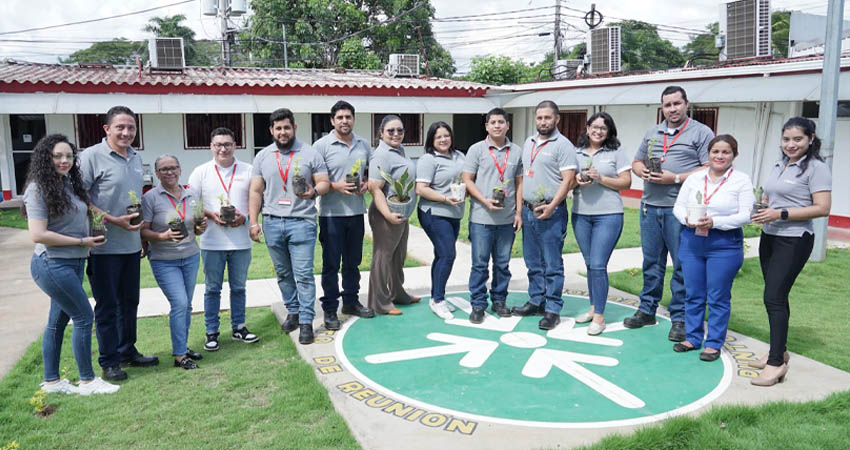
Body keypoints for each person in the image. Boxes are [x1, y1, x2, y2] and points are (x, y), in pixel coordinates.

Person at [23, 134, 120, 395]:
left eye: (68, 156)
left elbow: (87, 211)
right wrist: (81, 240)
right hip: (52, 263)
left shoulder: (67, 184)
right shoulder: (37, 188)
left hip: (73, 262)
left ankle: (52, 381)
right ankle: (87, 381)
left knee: (57, 322)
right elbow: (38, 234)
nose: (64, 161)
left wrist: (108, 223)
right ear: (46, 158)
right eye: (57, 156)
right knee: (84, 316)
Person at [625, 86, 714, 342]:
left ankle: (680, 318)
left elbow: (709, 168)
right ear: (661, 107)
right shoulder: (653, 132)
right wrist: (641, 172)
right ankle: (647, 310)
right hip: (650, 208)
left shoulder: (700, 132)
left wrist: (674, 178)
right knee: (651, 263)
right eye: (667, 105)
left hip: (681, 211)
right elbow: (636, 161)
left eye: (677, 103)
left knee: (682, 266)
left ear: (687, 104)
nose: (672, 109)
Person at [750, 117, 831, 386]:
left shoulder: (816, 167)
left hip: (795, 239)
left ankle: (775, 364)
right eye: (786, 139)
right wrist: (763, 206)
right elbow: (771, 196)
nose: (791, 144)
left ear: (810, 139)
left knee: (773, 297)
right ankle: (779, 350)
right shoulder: (780, 164)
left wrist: (781, 213)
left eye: (797, 139)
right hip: (770, 236)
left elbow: (822, 208)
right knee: (775, 296)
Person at [79, 106, 158, 381]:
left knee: (130, 302)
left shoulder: (136, 157)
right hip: (103, 246)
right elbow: (80, 200)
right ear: (107, 129)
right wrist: (113, 220)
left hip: (130, 244)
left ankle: (127, 351)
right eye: (120, 127)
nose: (126, 133)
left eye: (131, 128)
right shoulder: (90, 157)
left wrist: (140, 237)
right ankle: (109, 361)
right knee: (107, 305)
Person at [249, 108, 330, 345]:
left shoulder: (310, 153)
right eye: (278, 128)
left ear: (294, 128)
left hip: (301, 222)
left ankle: (306, 321)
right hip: (272, 222)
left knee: (303, 274)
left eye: (287, 127)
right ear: (271, 130)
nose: (282, 132)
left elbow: (324, 182)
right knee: (283, 273)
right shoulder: (263, 156)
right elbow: (255, 191)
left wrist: (313, 191)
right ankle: (293, 311)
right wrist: (253, 221)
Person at [672, 135, 753, 362]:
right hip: (692, 241)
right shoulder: (695, 179)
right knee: (693, 293)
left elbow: (747, 214)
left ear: (734, 155)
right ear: (709, 154)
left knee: (717, 296)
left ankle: (714, 343)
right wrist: (686, 218)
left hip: (724, 244)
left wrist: (715, 222)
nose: (720, 156)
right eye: (715, 151)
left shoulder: (741, 180)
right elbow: (678, 206)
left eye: (725, 152)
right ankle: (693, 337)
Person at [187, 127, 259, 352]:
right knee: (212, 289)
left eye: (227, 144)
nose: (223, 149)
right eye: (218, 144)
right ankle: (212, 332)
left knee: (239, 287)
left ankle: (239, 327)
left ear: (235, 145)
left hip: (240, 242)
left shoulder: (248, 170)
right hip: (212, 242)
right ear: (211, 147)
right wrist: (210, 215)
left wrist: (245, 217)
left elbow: (256, 199)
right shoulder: (201, 172)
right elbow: (193, 202)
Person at [511, 101, 577, 330]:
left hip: (552, 212)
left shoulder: (563, 145)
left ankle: (553, 308)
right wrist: (520, 210)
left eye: (547, 118)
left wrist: (552, 206)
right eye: (539, 118)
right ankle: (536, 300)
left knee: (552, 263)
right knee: (532, 261)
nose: (543, 122)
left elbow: (568, 180)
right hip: (529, 211)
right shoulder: (528, 143)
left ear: (557, 119)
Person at [141, 155, 207, 369]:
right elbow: (143, 230)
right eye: (164, 169)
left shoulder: (192, 195)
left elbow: (195, 228)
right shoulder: (150, 198)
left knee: (186, 305)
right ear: (157, 173)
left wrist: (200, 228)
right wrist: (163, 237)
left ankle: (183, 346)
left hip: (190, 256)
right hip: (164, 260)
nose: (169, 172)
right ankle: (180, 356)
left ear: (180, 169)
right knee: (179, 303)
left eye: (173, 168)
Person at [314, 101, 375, 328]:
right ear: (332, 121)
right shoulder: (321, 146)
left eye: (348, 117)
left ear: (353, 119)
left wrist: (367, 183)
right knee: (331, 264)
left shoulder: (363, 145)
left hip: (356, 212)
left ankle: (350, 301)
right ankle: (330, 309)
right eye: (339, 117)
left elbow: (369, 171)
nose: (344, 121)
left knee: (353, 262)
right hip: (331, 214)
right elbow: (313, 179)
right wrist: (334, 185)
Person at [571, 112, 632, 335]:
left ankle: (599, 317)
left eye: (603, 128)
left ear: (609, 132)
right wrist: (576, 181)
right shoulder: (575, 152)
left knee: (598, 264)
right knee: (590, 265)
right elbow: (567, 181)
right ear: (587, 129)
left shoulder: (616, 152)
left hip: (609, 215)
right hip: (581, 215)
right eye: (594, 127)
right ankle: (593, 308)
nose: (598, 131)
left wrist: (601, 178)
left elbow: (626, 181)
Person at [462, 108, 523, 324]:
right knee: (479, 264)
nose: (497, 125)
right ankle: (478, 304)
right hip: (481, 218)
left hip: (507, 220)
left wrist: (518, 212)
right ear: (486, 126)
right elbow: (467, 179)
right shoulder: (476, 150)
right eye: (493, 122)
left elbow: (519, 182)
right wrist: (483, 200)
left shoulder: (516, 151)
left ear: (508, 125)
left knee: (502, 264)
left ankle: (499, 300)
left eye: (501, 122)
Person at [367, 115, 420, 315]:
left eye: (400, 130)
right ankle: (379, 302)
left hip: (400, 213)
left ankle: (398, 293)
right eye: (391, 131)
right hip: (385, 216)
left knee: (398, 256)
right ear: (381, 133)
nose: (396, 134)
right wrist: (388, 215)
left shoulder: (399, 150)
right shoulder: (382, 155)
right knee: (383, 257)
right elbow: (375, 188)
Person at [415, 122, 465, 320]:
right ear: (431, 140)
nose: (443, 140)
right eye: (438, 137)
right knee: (447, 255)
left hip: (454, 213)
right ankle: (438, 299)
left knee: (441, 255)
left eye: (446, 135)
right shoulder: (428, 159)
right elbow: (421, 189)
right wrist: (445, 198)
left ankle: (436, 297)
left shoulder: (460, 156)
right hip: (434, 212)